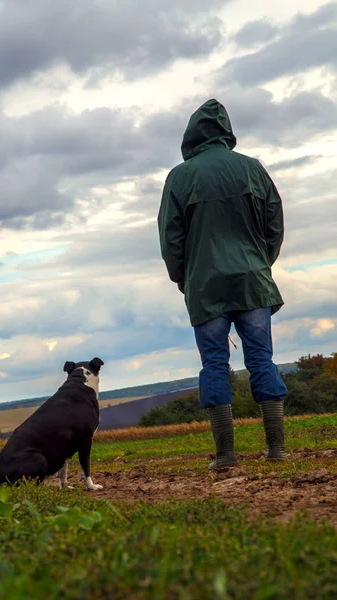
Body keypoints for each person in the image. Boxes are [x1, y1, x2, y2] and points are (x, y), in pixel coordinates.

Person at [158, 99, 287, 470]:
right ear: (226, 131)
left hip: (205, 286)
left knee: (214, 363)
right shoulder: (251, 168)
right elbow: (274, 224)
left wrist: (186, 279)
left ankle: (226, 455)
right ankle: (276, 449)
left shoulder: (179, 177)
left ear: (192, 134)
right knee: (261, 358)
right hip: (253, 282)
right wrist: (260, 263)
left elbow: (171, 240)